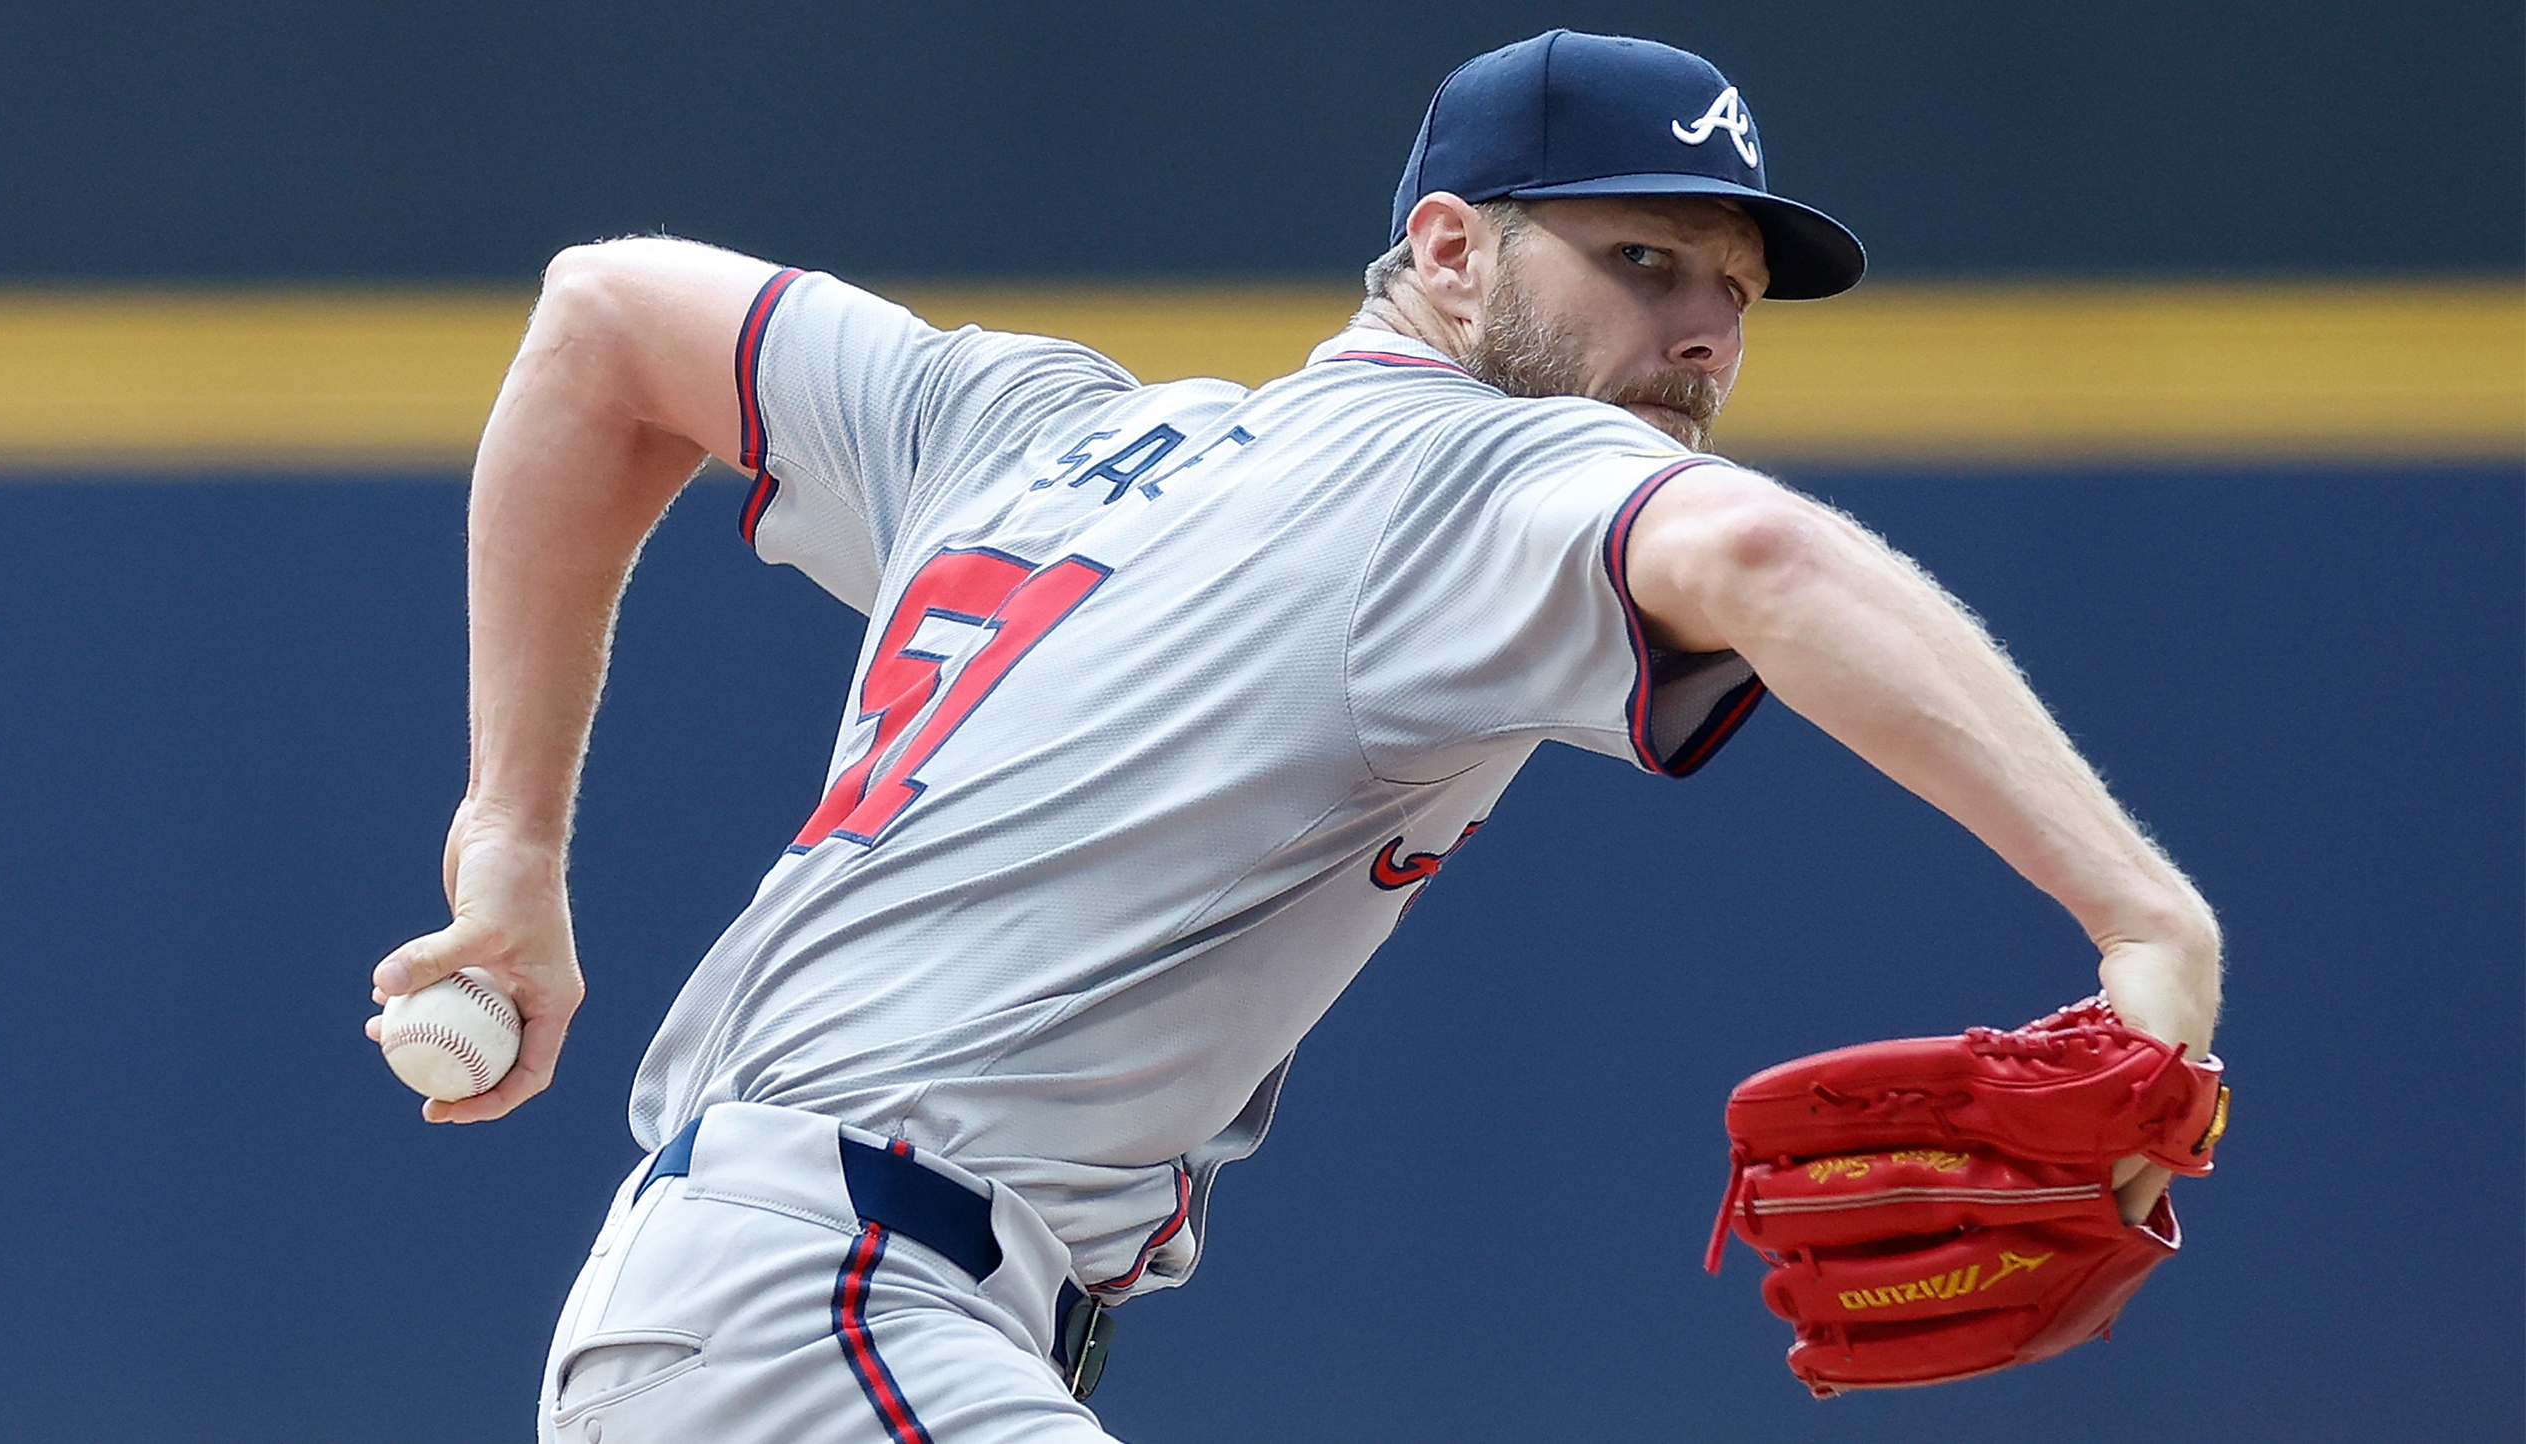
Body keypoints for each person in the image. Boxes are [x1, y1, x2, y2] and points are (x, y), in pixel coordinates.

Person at [368, 30, 2221, 1443]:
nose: (1702, 334)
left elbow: (605, 318)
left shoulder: (1041, 430)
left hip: (773, 1315)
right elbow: (1759, 557)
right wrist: (2144, 918)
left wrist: (511, 843)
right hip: (826, 1321)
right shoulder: (1466, 470)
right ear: (1448, 249)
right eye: (1645, 259)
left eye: (1733, 294)